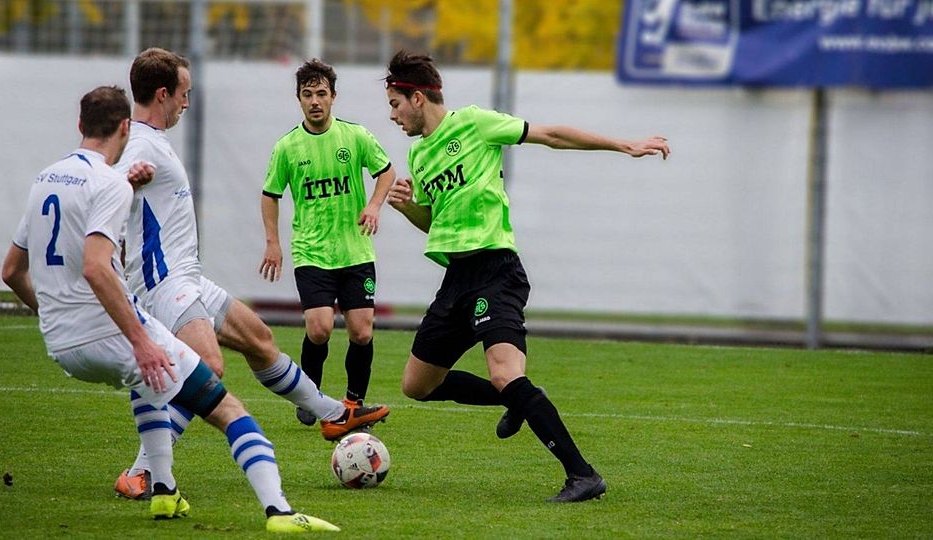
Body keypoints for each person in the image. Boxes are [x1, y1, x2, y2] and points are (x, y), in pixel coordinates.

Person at [0, 86, 339, 533]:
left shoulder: (45, 178)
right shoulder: (110, 183)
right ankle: (278, 511)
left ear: (80, 125)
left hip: (61, 343)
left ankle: (163, 490)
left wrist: (53, 316)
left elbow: (11, 271)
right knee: (226, 406)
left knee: (156, 382)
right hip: (115, 329)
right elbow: (98, 269)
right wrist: (141, 340)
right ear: (125, 128)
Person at [383, 51, 671, 503]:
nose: (393, 116)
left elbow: (551, 135)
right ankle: (519, 400)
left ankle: (582, 475)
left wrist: (623, 145)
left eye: (395, 106)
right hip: (456, 278)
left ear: (417, 97)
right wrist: (407, 209)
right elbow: (434, 222)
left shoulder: (475, 123)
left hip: (496, 271)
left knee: (503, 371)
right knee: (417, 386)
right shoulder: (419, 156)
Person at [113, 48, 388, 500]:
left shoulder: (151, 140)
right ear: (163, 94)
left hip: (188, 277)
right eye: (184, 94)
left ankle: (334, 412)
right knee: (209, 367)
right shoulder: (140, 145)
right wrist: (123, 189)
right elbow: (108, 191)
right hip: (163, 282)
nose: (187, 102)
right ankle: (142, 471)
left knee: (259, 340)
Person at [260, 59, 396, 427]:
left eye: (321, 93)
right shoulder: (287, 147)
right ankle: (311, 396)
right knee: (319, 329)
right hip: (312, 252)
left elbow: (386, 172)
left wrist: (373, 205)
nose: (315, 101)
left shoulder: (355, 137)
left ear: (333, 97)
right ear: (299, 100)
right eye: (308, 94)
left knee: (361, 330)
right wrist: (273, 242)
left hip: (355, 250)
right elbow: (270, 195)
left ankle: (353, 404)